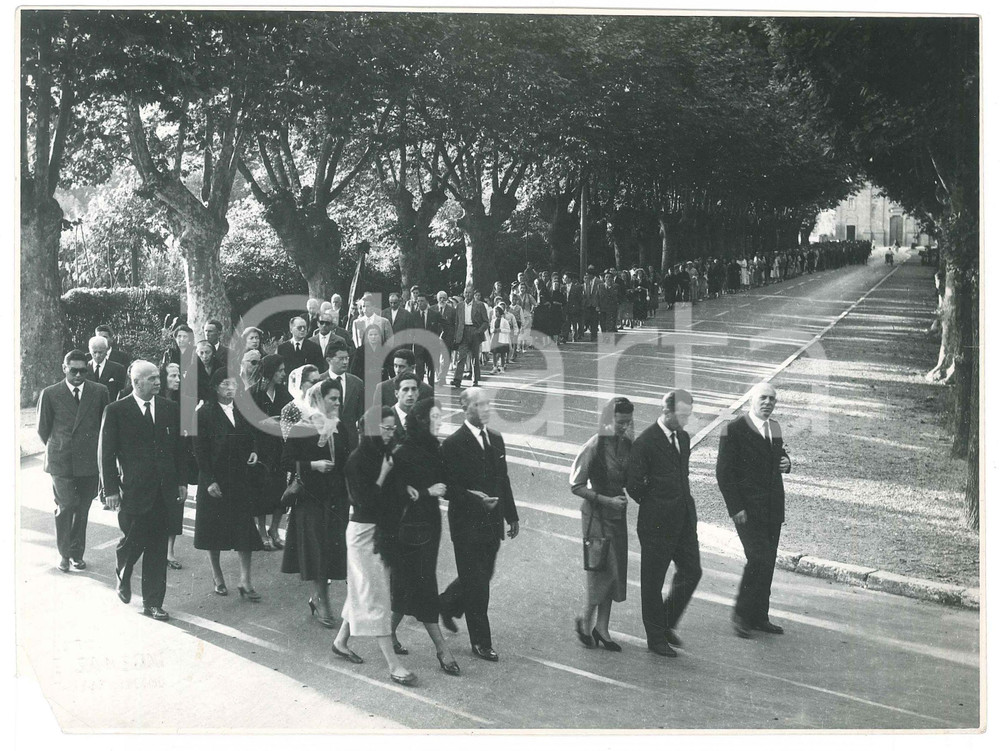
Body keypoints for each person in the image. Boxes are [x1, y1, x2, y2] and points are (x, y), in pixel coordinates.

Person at [98, 360, 187, 621]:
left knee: (158, 547)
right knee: (133, 540)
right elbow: (106, 453)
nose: (158, 382)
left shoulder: (171, 408)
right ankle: (123, 571)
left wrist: (182, 481)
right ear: (136, 383)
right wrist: (110, 489)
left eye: (158, 378)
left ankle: (153, 603)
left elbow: (180, 450)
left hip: (165, 490)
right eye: (151, 379)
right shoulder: (116, 410)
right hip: (133, 490)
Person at [335, 406, 417, 685]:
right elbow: (364, 501)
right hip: (362, 534)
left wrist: (405, 489)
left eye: (393, 428)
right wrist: (383, 474)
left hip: (381, 530)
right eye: (385, 428)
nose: (390, 433)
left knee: (365, 590)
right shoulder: (356, 460)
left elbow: (389, 494)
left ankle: (340, 642)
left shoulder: (384, 453)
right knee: (376, 596)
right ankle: (394, 665)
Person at [381, 398, 461, 675]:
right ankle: (443, 650)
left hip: (429, 528)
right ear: (423, 421)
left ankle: (387, 633)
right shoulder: (403, 452)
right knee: (424, 588)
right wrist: (428, 492)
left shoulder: (434, 447)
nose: (440, 422)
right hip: (407, 532)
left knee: (406, 587)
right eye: (436, 418)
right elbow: (392, 494)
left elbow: (447, 485)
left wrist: (473, 496)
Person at [439, 388, 519, 661]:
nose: (486, 409)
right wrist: (473, 499)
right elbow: (447, 487)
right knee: (477, 586)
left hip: (492, 523)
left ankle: (446, 603)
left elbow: (503, 480)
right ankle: (481, 642)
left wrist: (512, 515)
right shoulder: (452, 444)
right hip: (466, 525)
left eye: (488, 404)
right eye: (479, 404)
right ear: (466, 408)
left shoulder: (496, 439)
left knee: (482, 576)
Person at [625, 389, 702, 657]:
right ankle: (655, 637)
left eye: (688, 416)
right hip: (656, 524)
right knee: (653, 582)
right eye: (682, 415)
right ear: (666, 411)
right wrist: (657, 502)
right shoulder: (646, 443)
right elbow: (633, 485)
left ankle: (665, 621)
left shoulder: (683, 437)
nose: (686, 420)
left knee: (692, 572)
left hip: (683, 521)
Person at [716, 382, 791, 639]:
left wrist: (787, 462)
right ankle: (741, 613)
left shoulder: (775, 427)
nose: (768, 403)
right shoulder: (733, 430)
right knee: (758, 558)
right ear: (752, 400)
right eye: (763, 398)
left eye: (772, 399)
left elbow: (779, 456)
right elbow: (724, 474)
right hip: (747, 509)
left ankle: (760, 616)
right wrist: (735, 507)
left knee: (768, 562)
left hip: (772, 507)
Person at [280, 379, 358, 628]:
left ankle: (318, 597)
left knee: (333, 550)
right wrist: (313, 465)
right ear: (318, 399)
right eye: (332, 398)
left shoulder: (340, 427)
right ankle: (321, 599)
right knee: (317, 551)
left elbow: (348, 461)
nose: (337, 403)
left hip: (336, 498)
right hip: (311, 497)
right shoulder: (303, 427)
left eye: (339, 399)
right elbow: (285, 462)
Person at [194, 369, 265, 600]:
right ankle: (217, 575)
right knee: (213, 531)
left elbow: (253, 434)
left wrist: (254, 451)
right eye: (226, 384)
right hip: (216, 481)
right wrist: (209, 480)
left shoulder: (241, 410)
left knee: (245, 530)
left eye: (234, 384)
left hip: (240, 479)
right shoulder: (204, 414)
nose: (231, 388)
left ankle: (245, 581)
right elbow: (199, 452)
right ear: (215, 387)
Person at [37, 350, 110, 572]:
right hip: (61, 461)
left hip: (88, 462)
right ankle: (64, 554)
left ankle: (77, 554)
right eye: (74, 370)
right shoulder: (50, 394)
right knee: (66, 505)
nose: (79, 375)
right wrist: (59, 446)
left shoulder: (99, 392)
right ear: (64, 368)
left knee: (83, 508)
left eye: (83, 371)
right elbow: (43, 429)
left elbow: (105, 427)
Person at [571, 397, 634, 651]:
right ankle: (586, 621)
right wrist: (607, 500)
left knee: (614, 572)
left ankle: (602, 628)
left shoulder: (627, 443)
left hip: (616, 516)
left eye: (628, 422)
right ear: (609, 419)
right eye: (620, 422)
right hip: (596, 516)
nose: (624, 427)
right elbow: (575, 485)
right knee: (600, 570)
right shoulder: (595, 444)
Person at [249, 354, 291, 550]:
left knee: (280, 489)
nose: (283, 374)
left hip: (280, 447)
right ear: (271, 371)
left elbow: (293, 414)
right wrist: (262, 422)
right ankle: (262, 531)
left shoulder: (283, 392)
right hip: (261, 448)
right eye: (280, 370)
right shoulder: (254, 393)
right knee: (261, 491)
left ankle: (275, 529)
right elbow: (245, 422)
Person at [160, 362, 195, 570]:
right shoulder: (154, 400)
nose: (177, 379)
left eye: (178, 376)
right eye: (172, 376)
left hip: (177, 458)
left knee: (175, 507)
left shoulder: (184, 402)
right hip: (158, 462)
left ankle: (169, 551)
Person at [450, 285, 490, 389]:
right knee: (461, 357)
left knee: (474, 357)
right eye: (466, 293)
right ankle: (457, 380)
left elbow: (486, 322)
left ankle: (475, 379)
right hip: (463, 332)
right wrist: (456, 336)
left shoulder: (480, 305)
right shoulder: (459, 306)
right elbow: (457, 322)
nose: (468, 295)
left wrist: (479, 331)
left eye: (470, 293)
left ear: (473, 294)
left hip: (474, 331)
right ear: (463, 294)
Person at [321, 339, 365, 427]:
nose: (345, 362)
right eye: (341, 359)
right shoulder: (319, 382)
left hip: (350, 437)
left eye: (347, 358)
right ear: (329, 360)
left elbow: (361, 413)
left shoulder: (357, 383)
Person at [280, 365, 322, 440]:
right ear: (301, 384)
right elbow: (288, 440)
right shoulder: (290, 409)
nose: (318, 386)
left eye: (319, 381)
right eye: (314, 382)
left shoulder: (324, 403)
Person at [87, 336, 127, 401]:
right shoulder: (84, 369)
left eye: (100, 352)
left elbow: (121, 393)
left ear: (106, 350)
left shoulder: (118, 369)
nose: (97, 356)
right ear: (89, 350)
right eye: (94, 352)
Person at [194, 339, 216, 404]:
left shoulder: (220, 367)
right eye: (201, 353)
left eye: (207, 352)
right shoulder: (192, 370)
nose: (205, 356)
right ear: (197, 354)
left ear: (213, 352)